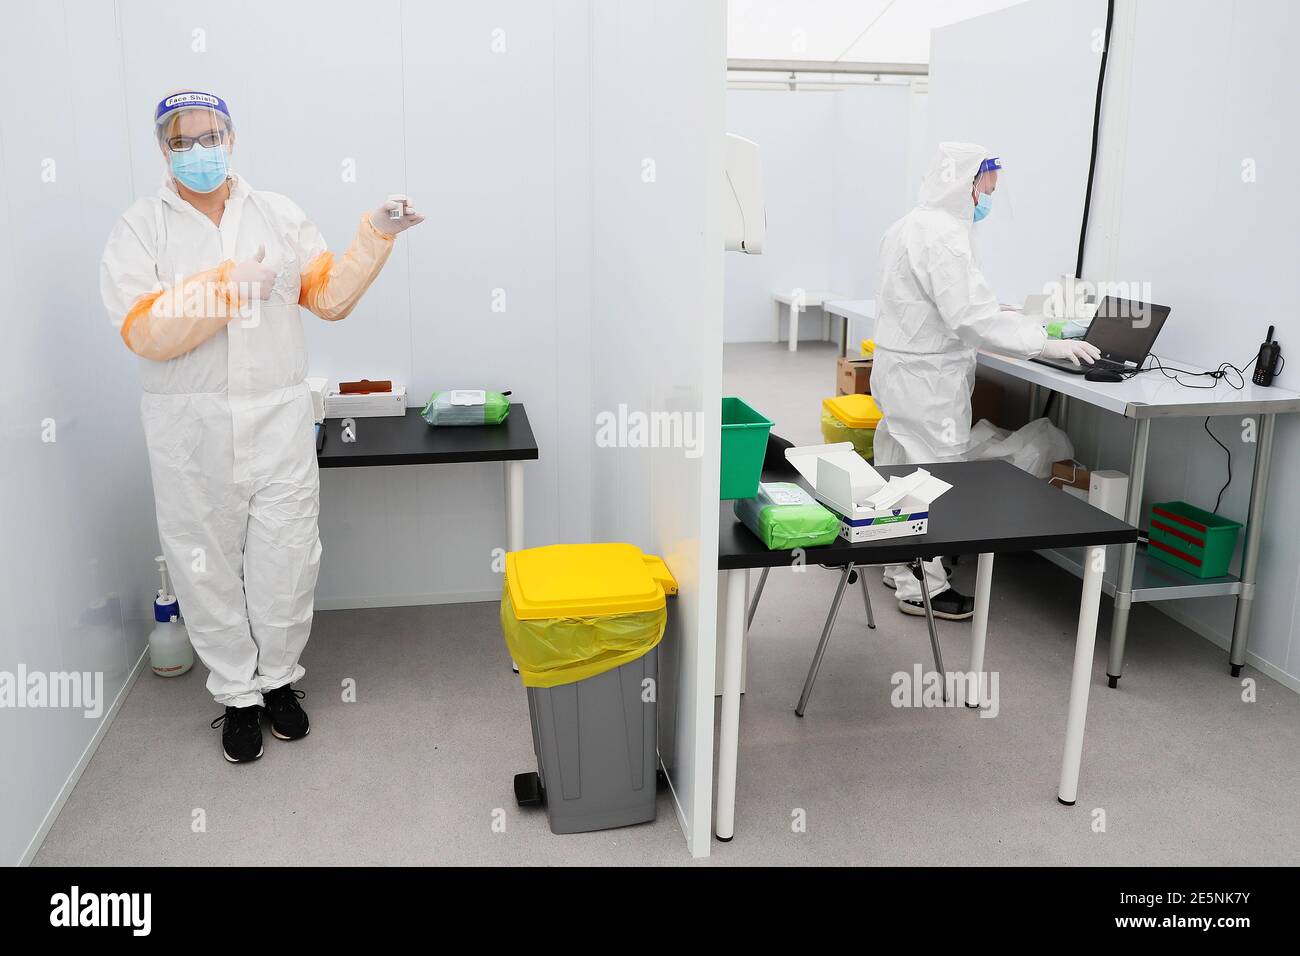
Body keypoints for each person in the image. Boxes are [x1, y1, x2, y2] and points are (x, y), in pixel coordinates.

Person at [100, 90, 425, 763]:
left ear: (232, 136)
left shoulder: (277, 214)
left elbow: (327, 296)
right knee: (205, 561)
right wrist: (227, 287)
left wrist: (375, 236)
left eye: (209, 136)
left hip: (278, 417)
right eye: (183, 141)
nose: (199, 151)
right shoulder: (140, 229)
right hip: (191, 429)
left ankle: (278, 682)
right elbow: (145, 331)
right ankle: (236, 696)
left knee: (288, 555)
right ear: (162, 149)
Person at [871, 142, 1098, 620]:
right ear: (964, 184)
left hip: (898, 367)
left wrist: (1001, 314)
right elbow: (970, 318)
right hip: (928, 376)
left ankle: (896, 562)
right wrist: (1043, 342)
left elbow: (944, 303)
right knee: (933, 474)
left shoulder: (909, 224)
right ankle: (924, 587)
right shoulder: (944, 235)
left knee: (897, 464)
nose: (989, 195)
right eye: (986, 185)